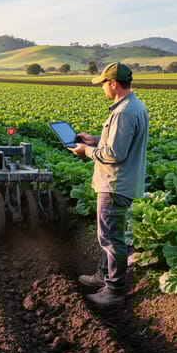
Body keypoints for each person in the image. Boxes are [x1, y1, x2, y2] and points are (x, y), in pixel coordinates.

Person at [70, 62, 149, 308]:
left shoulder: (124, 111)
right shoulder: (132, 106)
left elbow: (115, 153)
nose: (102, 87)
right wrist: (95, 139)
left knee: (110, 238)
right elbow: (117, 142)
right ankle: (103, 275)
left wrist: (87, 150)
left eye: (104, 83)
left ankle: (114, 290)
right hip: (119, 182)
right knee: (112, 234)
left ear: (114, 83)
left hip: (115, 183)